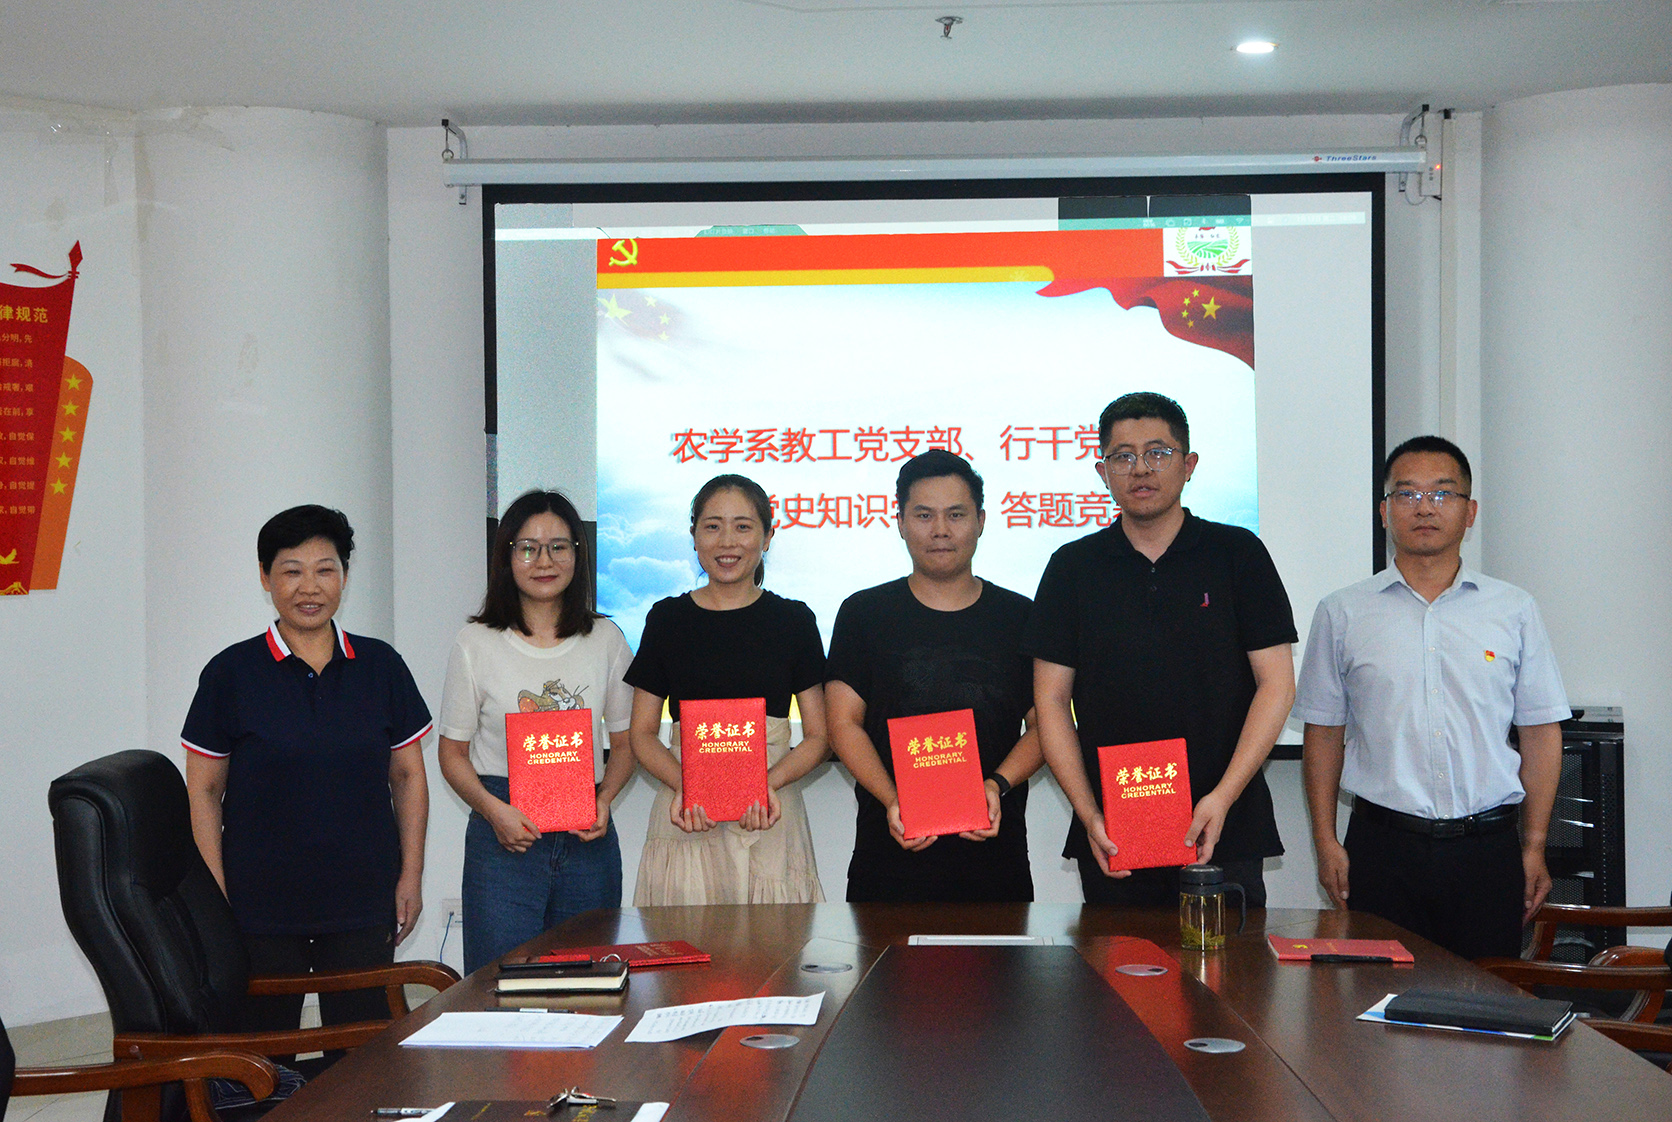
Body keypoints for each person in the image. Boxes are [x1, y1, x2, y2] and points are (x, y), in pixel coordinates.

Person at [1294, 435, 1568, 960]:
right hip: (1382, 848)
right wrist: (1325, 841)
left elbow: (1540, 732)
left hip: (1487, 851)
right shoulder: (1342, 612)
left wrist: (1534, 845)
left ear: (1470, 512)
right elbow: (1324, 732)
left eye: (1443, 493)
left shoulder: (1514, 610)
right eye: (1407, 494)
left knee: (1485, 1000)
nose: (1424, 507)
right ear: (1384, 511)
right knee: (1381, 999)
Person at [1022, 392, 1297, 907]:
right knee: (1116, 959)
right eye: (1123, 456)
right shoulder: (1072, 568)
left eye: (1158, 452)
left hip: (1224, 821)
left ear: (1188, 465)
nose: (1141, 469)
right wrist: (1088, 812)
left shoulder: (1238, 554)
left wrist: (1223, 796)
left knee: (1228, 961)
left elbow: (1277, 684)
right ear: (1103, 472)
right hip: (1113, 830)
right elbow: (1051, 701)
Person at [182, 505, 432, 1035]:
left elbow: (408, 777)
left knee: (361, 1051)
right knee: (263, 1057)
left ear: (344, 575)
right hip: (259, 905)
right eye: (291, 571)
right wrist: (215, 898)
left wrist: (410, 874)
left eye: (325, 569)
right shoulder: (230, 672)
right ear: (265, 576)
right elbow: (203, 791)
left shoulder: (381, 665)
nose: (309, 587)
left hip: (363, 898)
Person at [825, 450, 1042, 902]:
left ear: (981, 521)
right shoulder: (863, 613)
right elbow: (843, 723)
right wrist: (892, 799)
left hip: (995, 861)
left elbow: (1048, 726)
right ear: (900, 522)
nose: (940, 530)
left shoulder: (1020, 617)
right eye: (924, 515)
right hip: (887, 856)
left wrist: (996, 784)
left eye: (956, 515)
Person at [437, 489, 636, 975]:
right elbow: (452, 753)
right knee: (498, 982)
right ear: (506, 557)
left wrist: (606, 798)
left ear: (578, 555)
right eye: (527, 548)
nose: (544, 561)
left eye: (558, 547)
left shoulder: (606, 639)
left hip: (586, 835)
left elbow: (627, 744)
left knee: (590, 982)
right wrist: (495, 812)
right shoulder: (476, 642)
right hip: (504, 832)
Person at [627, 473, 829, 904]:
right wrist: (686, 785)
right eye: (712, 526)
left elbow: (819, 735)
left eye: (743, 526)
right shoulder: (667, 619)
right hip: (685, 811)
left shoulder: (794, 621)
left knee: (774, 941)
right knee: (684, 938)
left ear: (767, 536)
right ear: (694, 536)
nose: (727, 542)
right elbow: (641, 732)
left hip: (770, 811)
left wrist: (766, 785)